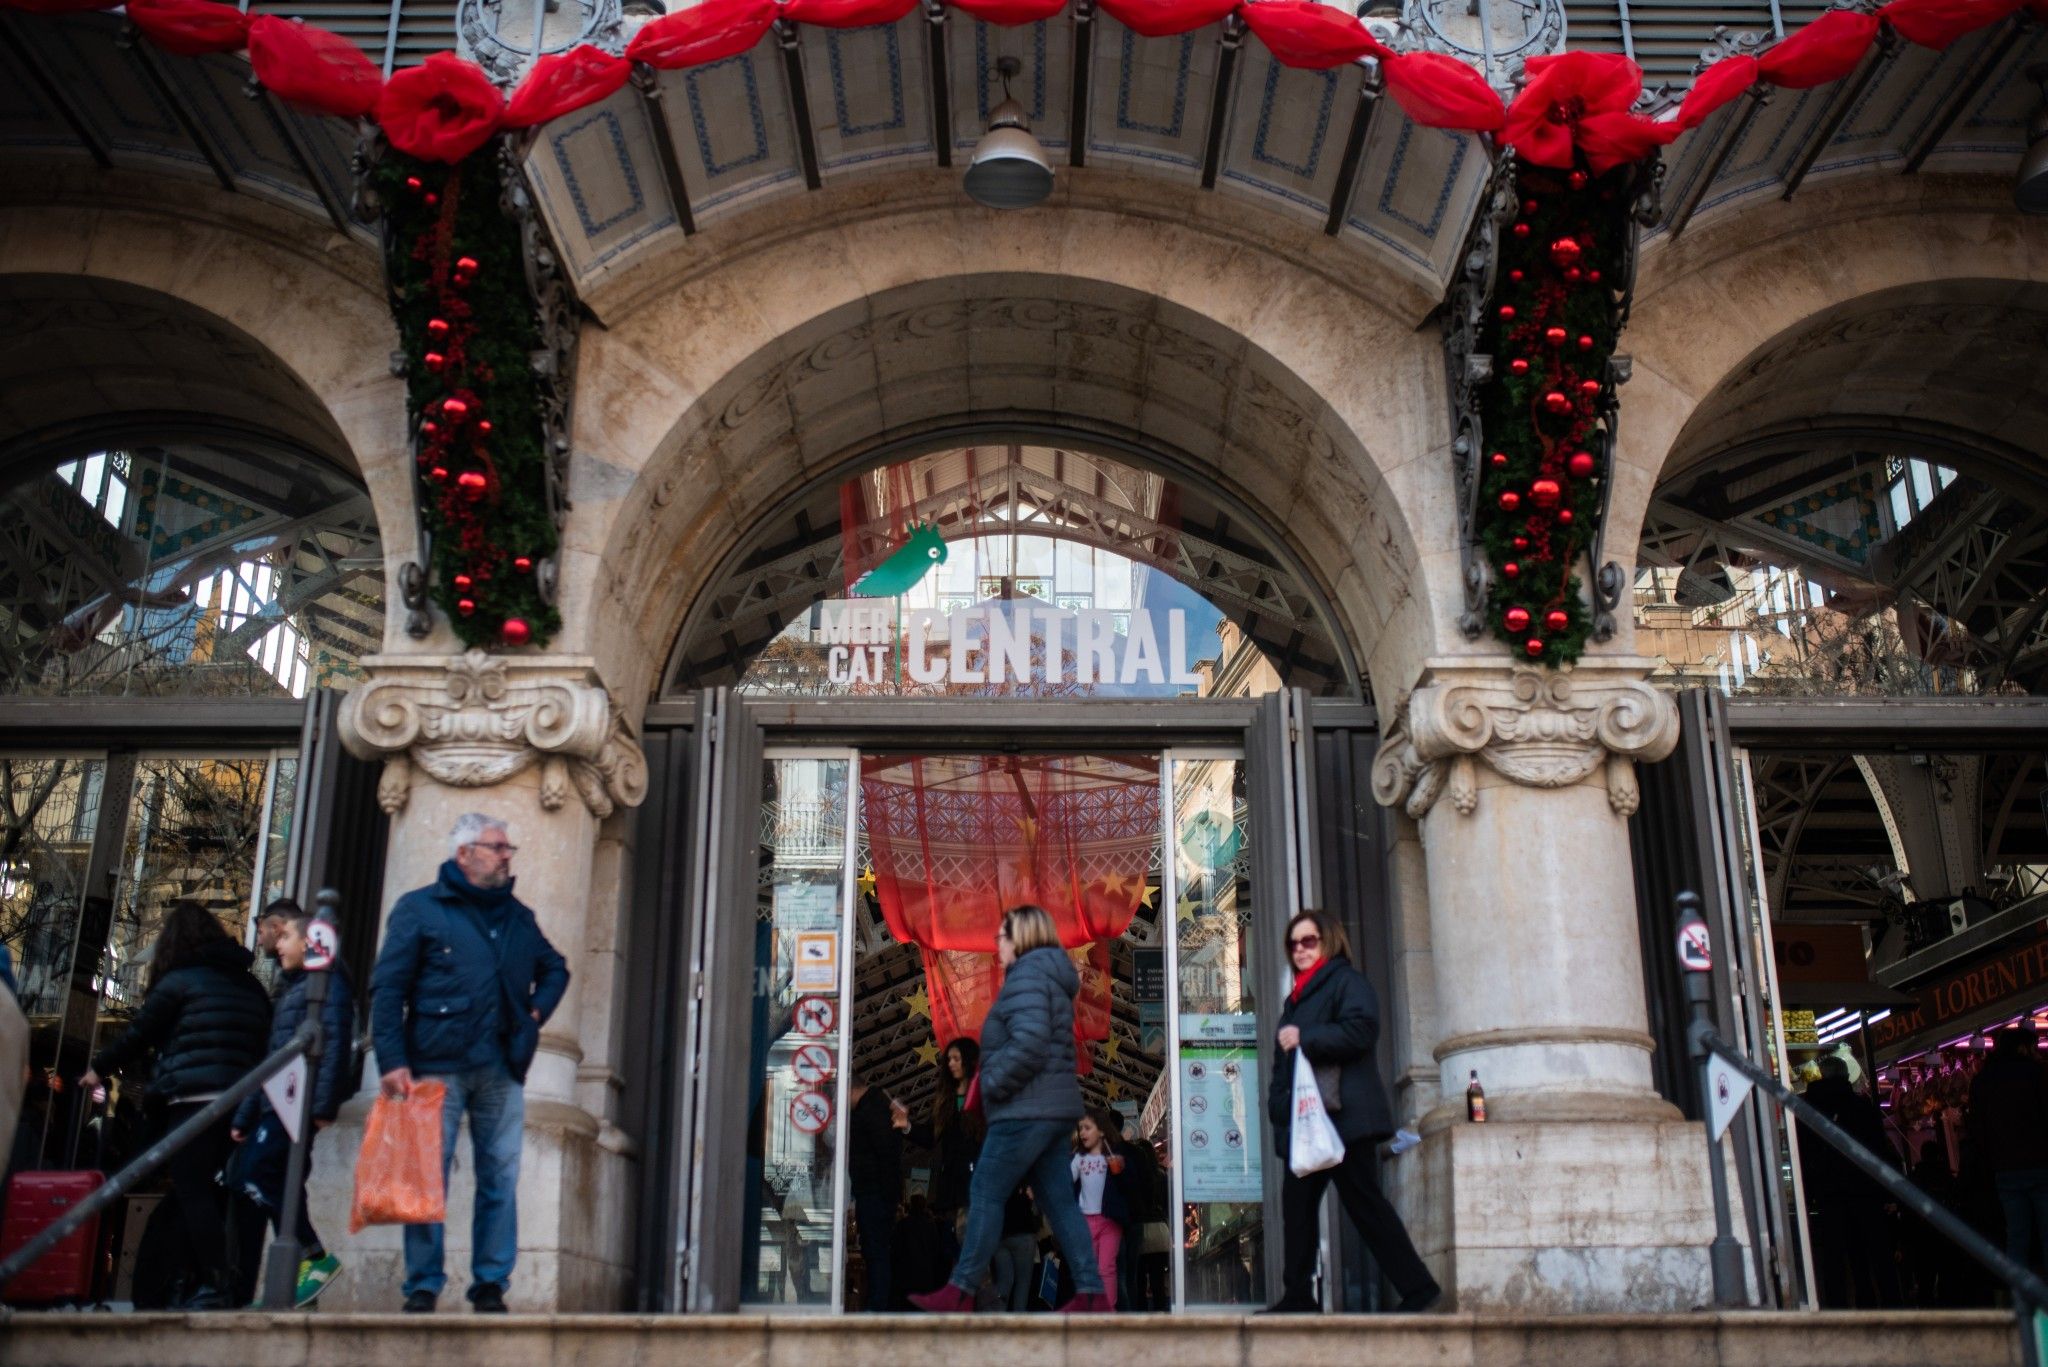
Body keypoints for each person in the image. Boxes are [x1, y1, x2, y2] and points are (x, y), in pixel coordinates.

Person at [371, 812, 569, 1314]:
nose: (506, 855)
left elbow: (555, 968)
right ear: (465, 854)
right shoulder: (420, 909)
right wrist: (391, 1059)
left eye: (507, 848)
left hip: (501, 1067)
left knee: (500, 1178)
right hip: (434, 1065)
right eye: (496, 847)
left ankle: (489, 1283)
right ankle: (423, 1283)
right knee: (426, 1178)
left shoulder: (517, 916)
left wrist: (535, 1012)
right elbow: (388, 988)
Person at [911, 905, 1109, 1313]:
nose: (996, 944)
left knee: (984, 1190)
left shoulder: (1029, 978)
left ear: (1022, 939)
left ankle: (962, 1289)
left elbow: (1031, 1043)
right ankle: (1091, 1293)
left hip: (1024, 1108)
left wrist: (991, 1082)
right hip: (1052, 1109)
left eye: (1002, 937)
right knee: (1058, 1201)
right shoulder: (1049, 977)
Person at [81, 901, 270, 1309]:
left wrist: (98, 1068)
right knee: (222, 1191)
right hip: (241, 1102)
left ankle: (216, 1279)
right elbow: (264, 1041)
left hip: (193, 1099)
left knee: (191, 1187)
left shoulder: (180, 980)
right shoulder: (250, 986)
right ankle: (218, 1280)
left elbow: (140, 1033)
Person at [1264, 909, 1439, 1314]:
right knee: (1299, 1207)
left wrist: (1306, 1036)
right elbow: (1282, 1064)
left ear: (1328, 941)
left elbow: (1362, 1030)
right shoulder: (1296, 999)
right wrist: (1278, 1106)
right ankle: (1297, 1296)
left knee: (1364, 1204)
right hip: (1309, 1121)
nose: (1300, 950)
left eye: (1309, 941)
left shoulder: (1345, 982)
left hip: (1344, 1119)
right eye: (1294, 943)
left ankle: (1418, 1287)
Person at [228, 905, 356, 1307]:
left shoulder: (324, 985)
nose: (277, 944)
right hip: (276, 1103)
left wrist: (322, 1107)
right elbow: (272, 1058)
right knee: (275, 1182)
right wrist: (246, 1114)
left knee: (259, 1172)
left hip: (296, 1103)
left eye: (285, 937)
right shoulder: (294, 989)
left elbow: (333, 1045)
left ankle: (313, 1254)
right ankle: (304, 1281)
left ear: (308, 942)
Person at [1800, 1052, 1903, 1307]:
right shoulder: (1861, 1108)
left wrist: (1809, 1192)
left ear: (1821, 1075)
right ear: (1847, 1076)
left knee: (1835, 1259)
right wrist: (1887, 1192)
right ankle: (1890, 1307)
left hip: (1829, 1194)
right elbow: (1879, 1149)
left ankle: (1839, 1312)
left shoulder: (1807, 1111)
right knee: (1875, 1255)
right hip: (1864, 1190)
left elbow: (1804, 1154)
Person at [1968, 1025, 2048, 1270]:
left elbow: (1977, 1131)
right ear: (2023, 1047)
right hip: (2040, 1164)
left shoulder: (1982, 1081)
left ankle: (2020, 1295)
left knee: (2017, 1236)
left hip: (2004, 1169)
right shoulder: (2036, 1073)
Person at [845, 1069, 909, 1311]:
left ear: (851, 1089)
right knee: (875, 1252)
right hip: (876, 1193)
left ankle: (877, 1306)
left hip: (875, 1193)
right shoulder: (877, 1106)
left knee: (876, 1253)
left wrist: (884, 1195)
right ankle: (876, 1304)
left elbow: (885, 1154)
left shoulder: (871, 1110)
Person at [905, 1037, 983, 1232]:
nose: (951, 1064)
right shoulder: (945, 1101)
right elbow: (930, 1137)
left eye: (956, 1059)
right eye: (949, 1059)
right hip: (955, 1189)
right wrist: (906, 1126)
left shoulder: (986, 1097)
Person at [1070, 1107, 1129, 1309]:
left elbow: (1130, 1188)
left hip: (1109, 1220)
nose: (1083, 1133)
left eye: (1087, 1128)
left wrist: (1120, 1172)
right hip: (1084, 1220)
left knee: (1106, 1268)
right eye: (1080, 1129)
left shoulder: (1114, 1155)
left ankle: (1107, 1311)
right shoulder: (1078, 1158)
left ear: (1101, 1131)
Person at [989, 1185, 1040, 1311]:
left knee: (1003, 1282)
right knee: (1022, 1285)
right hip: (1024, 1233)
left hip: (1001, 1233)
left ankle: (998, 1323)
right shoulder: (1026, 1173)